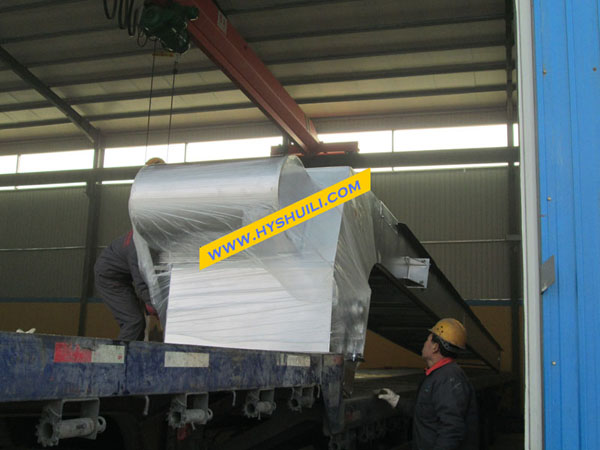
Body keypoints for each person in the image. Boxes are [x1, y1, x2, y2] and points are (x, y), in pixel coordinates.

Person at [378, 318, 479, 450]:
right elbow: (426, 412)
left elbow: (451, 430)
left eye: (427, 340)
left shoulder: (448, 379)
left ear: (435, 347)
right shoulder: (439, 374)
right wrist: (396, 401)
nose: (424, 343)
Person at [94, 157, 165, 340]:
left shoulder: (152, 235)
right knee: (133, 321)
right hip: (109, 276)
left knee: (138, 322)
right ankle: (120, 356)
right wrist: (155, 305)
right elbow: (142, 281)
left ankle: (129, 353)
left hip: (122, 272)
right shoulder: (138, 248)